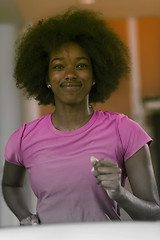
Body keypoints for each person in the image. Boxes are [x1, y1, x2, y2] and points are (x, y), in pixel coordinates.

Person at [2, 8, 160, 226]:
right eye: (58, 66)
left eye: (81, 65)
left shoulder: (125, 130)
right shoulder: (24, 137)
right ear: (46, 77)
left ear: (95, 75)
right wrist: (24, 215)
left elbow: (155, 215)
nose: (70, 73)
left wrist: (120, 194)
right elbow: (10, 185)